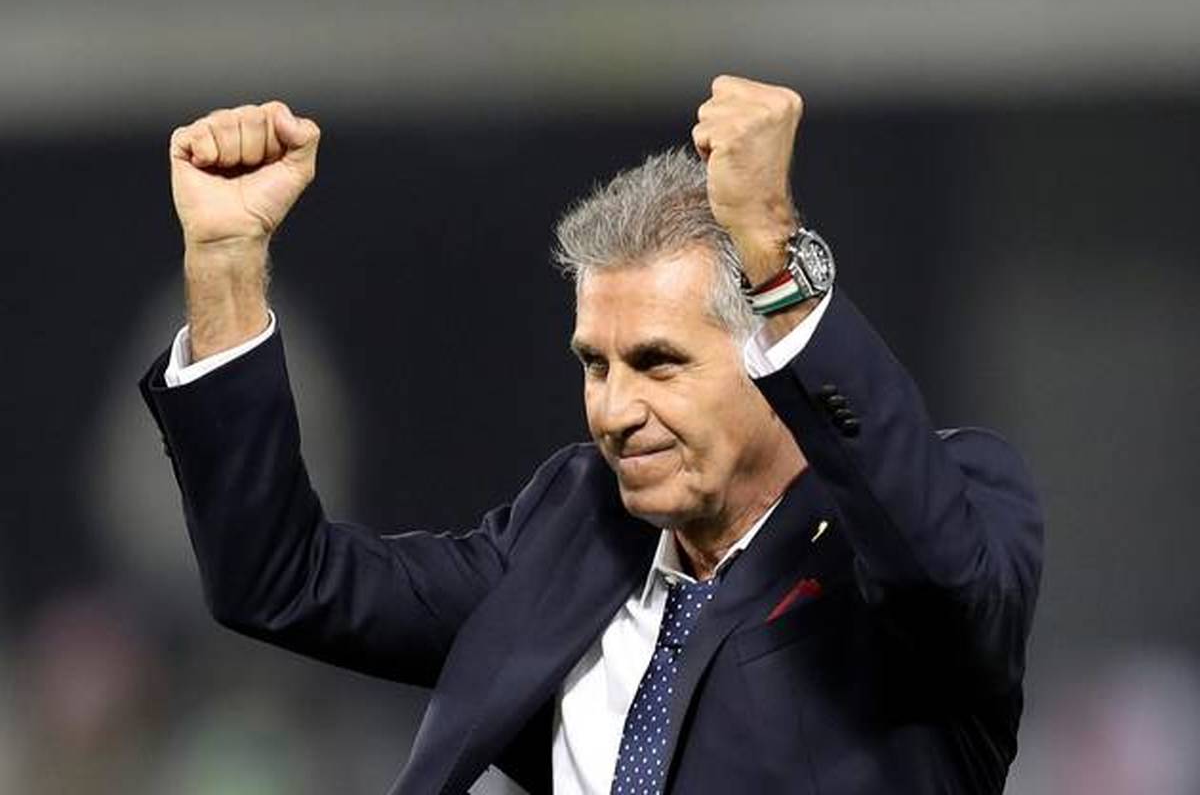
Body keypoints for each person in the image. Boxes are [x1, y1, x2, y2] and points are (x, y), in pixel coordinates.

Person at [140, 76, 1044, 794]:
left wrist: (773, 252)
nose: (613, 410)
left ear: (767, 357)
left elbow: (935, 573)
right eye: (595, 364)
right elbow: (282, 582)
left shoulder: (940, 513)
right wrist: (224, 262)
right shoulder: (576, 530)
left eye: (657, 363)